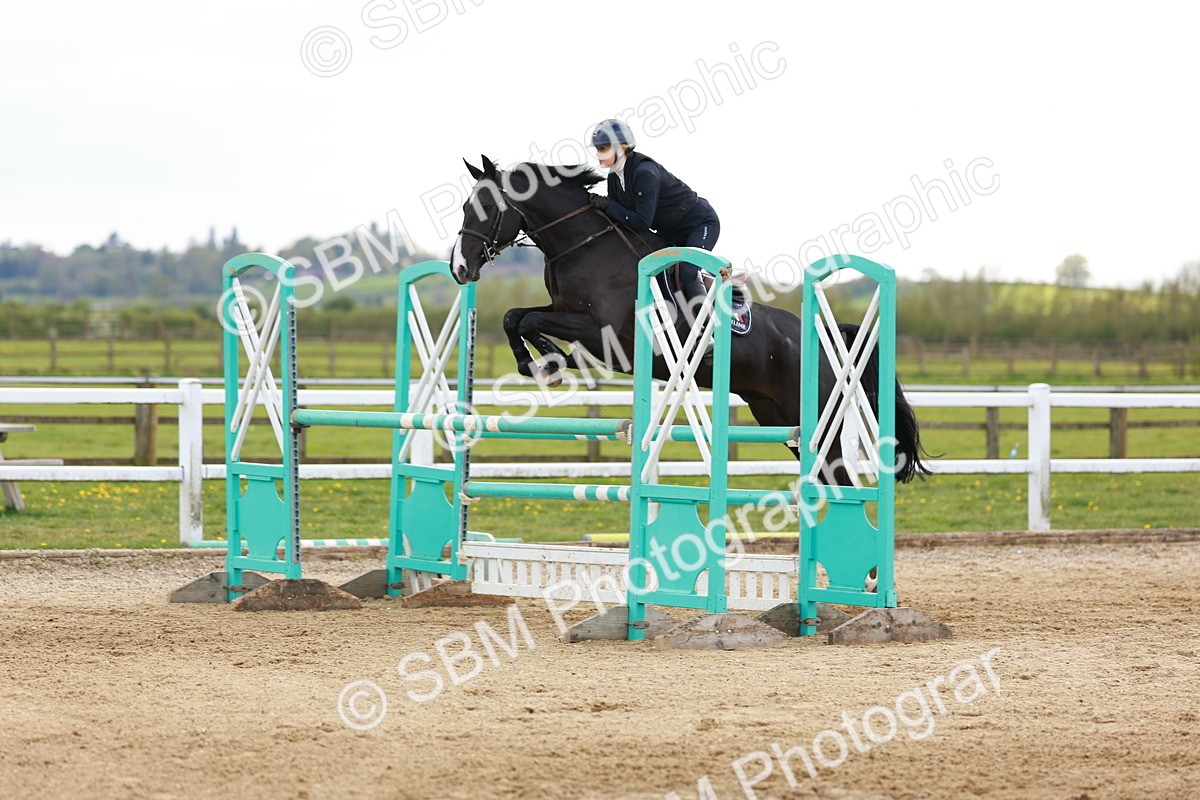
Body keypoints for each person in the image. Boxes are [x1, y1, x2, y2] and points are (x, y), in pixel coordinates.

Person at [587, 119, 719, 313]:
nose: (598, 154)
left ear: (621, 148)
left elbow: (640, 222)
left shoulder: (644, 173)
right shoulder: (614, 177)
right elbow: (617, 216)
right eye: (597, 149)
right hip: (671, 232)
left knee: (686, 271)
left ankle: (707, 326)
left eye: (603, 148)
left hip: (700, 224)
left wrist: (607, 205)